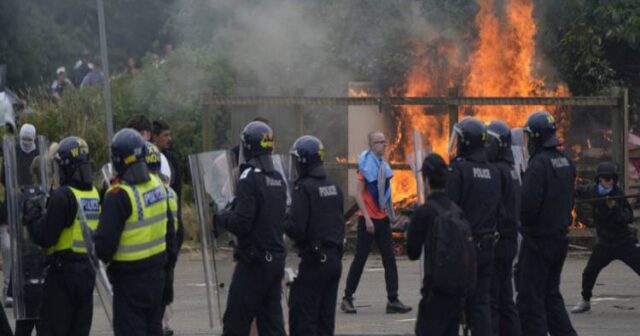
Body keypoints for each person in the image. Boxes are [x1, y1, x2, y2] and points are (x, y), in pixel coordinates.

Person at [94, 128, 176, 335]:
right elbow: (170, 233)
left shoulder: (118, 195)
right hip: (157, 275)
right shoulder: (157, 184)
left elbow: (103, 249)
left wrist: (92, 237)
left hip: (129, 283)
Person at [215, 121, 287, 336]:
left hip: (254, 261)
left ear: (247, 147)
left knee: (235, 322)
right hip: (275, 260)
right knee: (271, 323)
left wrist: (222, 216)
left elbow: (242, 223)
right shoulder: (277, 178)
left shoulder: (249, 177)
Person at [24, 136, 97, 335]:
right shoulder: (94, 194)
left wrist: (32, 216)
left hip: (63, 276)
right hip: (87, 273)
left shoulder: (64, 196)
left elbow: (45, 236)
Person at [516, 111, 577, 336]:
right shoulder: (566, 162)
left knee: (530, 300)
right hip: (559, 239)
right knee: (551, 295)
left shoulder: (538, 165)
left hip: (538, 242)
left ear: (537, 137)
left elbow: (528, 207)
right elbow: (571, 199)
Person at [341, 131, 411, 314]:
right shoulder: (366, 165)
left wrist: (390, 214)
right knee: (360, 260)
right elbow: (357, 193)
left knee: (390, 260)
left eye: (384, 141)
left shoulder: (383, 166)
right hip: (368, 221)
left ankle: (393, 299)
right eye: (379, 142)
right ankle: (347, 298)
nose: (383, 144)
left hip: (382, 220)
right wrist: (367, 218)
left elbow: (386, 193)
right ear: (371, 145)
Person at [285, 135, 344, 336]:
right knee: (325, 322)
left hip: (314, 263)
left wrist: (281, 218)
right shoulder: (334, 187)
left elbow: (296, 229)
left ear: (303, 161)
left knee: (305, 321)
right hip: (334, 261)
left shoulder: (304, 188)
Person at [447, 117, 502, 336]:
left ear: (466, 142)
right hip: (488, 246)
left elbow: (449, 210)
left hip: (463, 249)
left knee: (454, 303)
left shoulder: (458, 171)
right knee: (481, 304)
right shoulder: (495, 172)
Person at [407, 153, 467, 336]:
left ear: (425, 181)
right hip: (457, 293)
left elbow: (412, 252)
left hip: (434, 291)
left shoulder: (425, 212)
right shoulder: (457, 210)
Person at [571, 162, 639, 313]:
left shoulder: (618, 194)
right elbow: (576, 191)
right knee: (589, 272)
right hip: (604, 244)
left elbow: (628, 218)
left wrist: (613, 208)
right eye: (606, 178)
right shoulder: (592, 191)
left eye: (612, 178)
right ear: (599, 179)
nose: (610, 182)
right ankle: (585, 300)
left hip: (623, 242)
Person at [485, 120, 522, 336]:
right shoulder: (510, 169)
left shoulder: (497, 171)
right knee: (506, 298)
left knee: (494, 300)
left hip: (499, 242)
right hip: (510, 239)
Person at [1, 124, 39, 309]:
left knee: (30, 249)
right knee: (15, 249)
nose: (25, 143)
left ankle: (28, 285)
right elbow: (5, 180)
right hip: (15, 205)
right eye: (23, 140)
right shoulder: (12, 153)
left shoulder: (38, 153)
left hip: (34, 205)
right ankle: (11, 290)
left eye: (28, 140)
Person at [144, 141, 180, 336]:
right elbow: (176, 232)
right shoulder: (170, 194)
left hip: (145, 266)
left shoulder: (143, 193)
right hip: (164, 261)